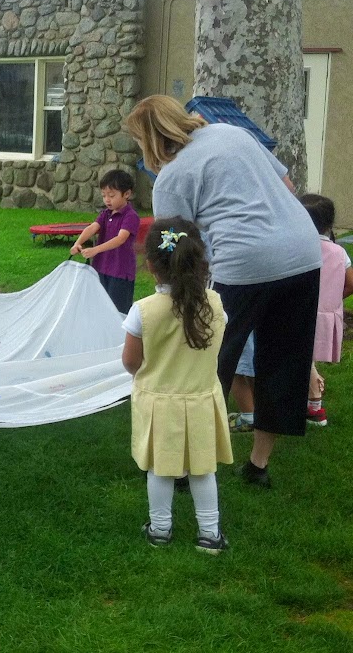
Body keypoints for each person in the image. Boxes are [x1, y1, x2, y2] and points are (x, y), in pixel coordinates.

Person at [125, 95, 321, 489]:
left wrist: (168, 295)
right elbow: (287, 184)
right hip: (304, 251)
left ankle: (183, 467)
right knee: (284, 362)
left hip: (243, 264)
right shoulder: (232, 132)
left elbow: (172, 246)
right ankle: (258, 466)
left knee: (209, 363)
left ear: (149, 138)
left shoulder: (173, 176)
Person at [122, 218, 232, 554]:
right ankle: (210, 535)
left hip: (159, 404)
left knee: (160, 468)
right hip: (201, 399)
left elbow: (130, 361)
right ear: (200, 262)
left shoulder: (143, 311)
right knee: (203, 469)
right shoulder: (214, 303)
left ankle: (160, 530)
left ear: (151, 266)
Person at [299, 194, 353, 427]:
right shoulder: (338, 252)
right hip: (326, 314)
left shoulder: (301, 248)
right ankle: (311, 402)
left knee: (302, 358)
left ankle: (315, 406)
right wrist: (333, 300)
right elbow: (350, 283)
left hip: (301, 313)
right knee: (306, 358)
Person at [71, 169, 141, 313]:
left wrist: (95, 250)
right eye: (104, 196)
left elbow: (121, 239)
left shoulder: (130, 216)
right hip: (101, 268)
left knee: (118, 310)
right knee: (99, 307)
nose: (107, 200)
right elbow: (92, 228)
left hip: (120, 271)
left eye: (111, 195)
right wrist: (78, 242)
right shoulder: (105, 214)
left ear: (127, 194)